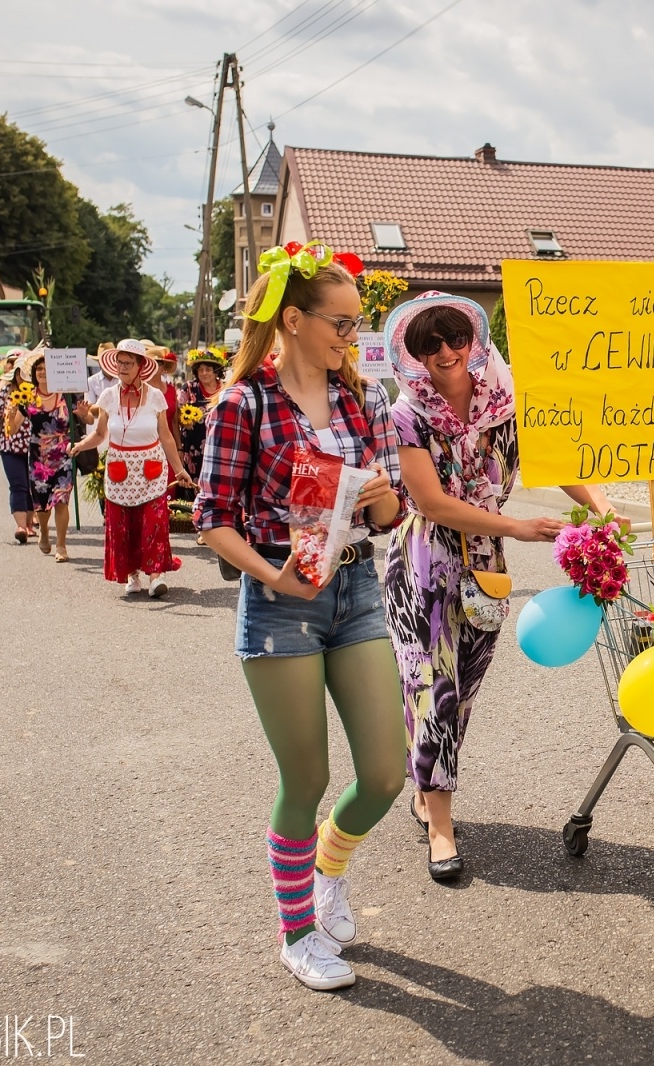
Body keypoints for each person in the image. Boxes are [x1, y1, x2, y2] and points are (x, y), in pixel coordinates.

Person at [194, 242, 406, 991]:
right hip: (281, 604)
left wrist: (381, 490)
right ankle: (297, 934)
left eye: (356, 323)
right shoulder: (243, 401)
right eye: (341, 323)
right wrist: (269, 573)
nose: (353, 336)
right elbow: (211, 517)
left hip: (355, 591)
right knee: (306, 776)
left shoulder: (364, 401)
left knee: (385, 772)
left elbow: (389, 516)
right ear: (293, 318)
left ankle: (328, 869)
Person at [383, 292, 610, 882]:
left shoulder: (503, 404)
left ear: (473, 341)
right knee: (433, 686)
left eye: (455, 338)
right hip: (424, 558)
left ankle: (425, 783)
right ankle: (440, 826)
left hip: (486, 563)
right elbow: (431, 502)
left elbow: (551, 459)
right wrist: (519, 526)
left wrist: (602, 506)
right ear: (412, 354)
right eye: (429, 343)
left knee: (463, 694)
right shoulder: (406, 414)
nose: (445, 352)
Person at [70, 339, 191, 596]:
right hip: (120, 468)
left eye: (128, 363)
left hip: (150, 467)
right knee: (124, 524)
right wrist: (81, 444)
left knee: (154, 522)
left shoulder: (155, 396)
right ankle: (133, 575)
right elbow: (101, 433)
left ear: (140, 366)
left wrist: (179, 469)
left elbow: (166, 436)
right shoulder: (109, 396)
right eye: (119, 362)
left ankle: (155, 576)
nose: (122, 367)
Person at [7, 351, 77, 562]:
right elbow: (12, 429)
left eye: (47, 370)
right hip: (38, 457)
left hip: (63, 453)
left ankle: (62, 546)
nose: (43, 373)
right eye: (39, 369)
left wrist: (84, 413)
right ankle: (44, 530)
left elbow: (88, 415)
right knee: (42, 504)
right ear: (34, 373)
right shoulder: (27, 396)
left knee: (62, 499)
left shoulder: (66, 395)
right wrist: (10, 417)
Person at [0, 355, 37, 543]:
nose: (23, 377)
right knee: (18, 485)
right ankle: (21, 526)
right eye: (20, 373)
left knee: (32, 486)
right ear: (15, 374)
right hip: (10, 446)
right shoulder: (6, 391)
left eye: (26, 373)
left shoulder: (37, 392)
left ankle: (30, 525)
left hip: (34, 447)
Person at [176, 347, 227, 508]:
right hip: (193, 448)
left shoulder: (225, 389)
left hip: (219, 445)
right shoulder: (189, 389)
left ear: (216, 371)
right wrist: (184, 421)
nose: (204, 373)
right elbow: (176, 415)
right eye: (200, 370)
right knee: (195, 484)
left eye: (208, 369)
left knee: (217, 482)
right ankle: (195, 516)